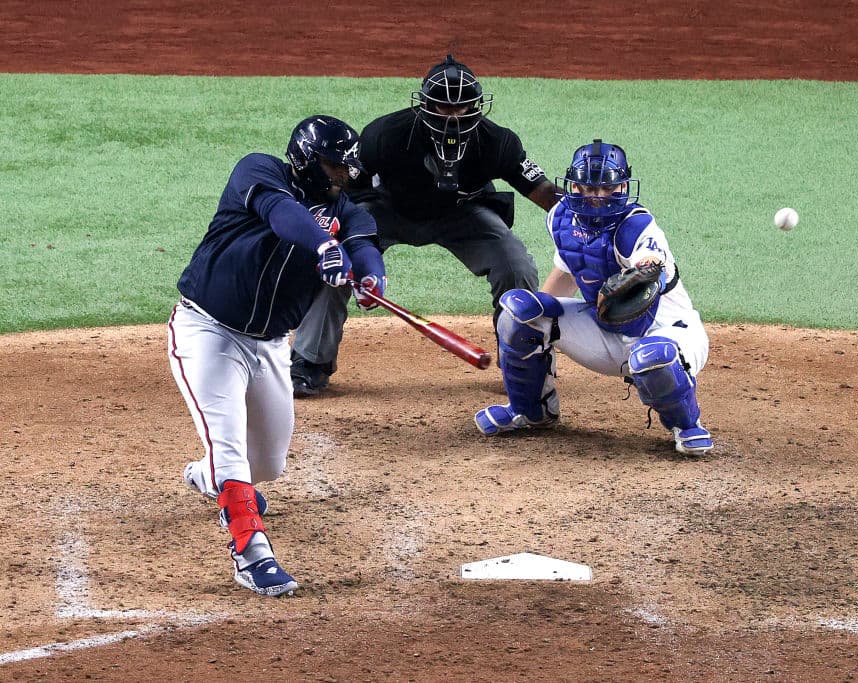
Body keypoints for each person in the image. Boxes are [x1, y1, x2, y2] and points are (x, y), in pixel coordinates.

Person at [168, 115, 385, 596]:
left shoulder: (347, 209)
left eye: (347, 168)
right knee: (228, 445)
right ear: (308, 161)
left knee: (264, 464)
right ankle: (252, 554)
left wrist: (371, 277)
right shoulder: (259, 171)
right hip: (208, 331)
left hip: (269, 345)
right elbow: (283, 216)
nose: (343, 176)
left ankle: (212, 477)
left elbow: (365, 244)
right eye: (334, 167)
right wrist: (323, 244)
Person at [290, 54, 558, 397]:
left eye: (462, 107)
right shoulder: (385, 135)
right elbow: (346, 185)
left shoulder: (498, 142)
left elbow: (546, 195)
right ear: (425, 105)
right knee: (338, 263)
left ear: (477, 107)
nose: (453, 116)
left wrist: (594, 207)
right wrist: (333, 236)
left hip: (463, 213)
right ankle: (310, 362)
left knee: (515, 263)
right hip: (387, 209)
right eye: (443, 107)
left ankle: (521, 362)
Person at [473, 139, 714, 455]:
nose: (597, 197)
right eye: (589, 188)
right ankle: (530, 411)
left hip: (667, 333)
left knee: (652, 358)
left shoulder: (636, 226)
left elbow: (651, 263)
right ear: (574, 186)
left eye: (606, 189)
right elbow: (567, 273)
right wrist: (529, 334)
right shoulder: (561, 219)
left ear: (623, 186)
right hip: (603, 333)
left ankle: (687, 425)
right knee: (519, 311)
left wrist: (640, 270)